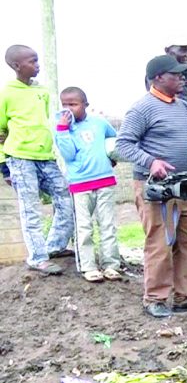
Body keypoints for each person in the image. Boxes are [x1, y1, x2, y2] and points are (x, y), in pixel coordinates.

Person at [117, 54, 187, 318]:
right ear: (158, 77)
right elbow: (123, 144)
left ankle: (186, 296)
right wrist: (151, 162)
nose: (182, 79)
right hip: (156, 187)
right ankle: (156, 298)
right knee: (160, 243)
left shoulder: (182, 107)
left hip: (184, 184)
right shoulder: (142, 108)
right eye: (176, 75)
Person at [0, 44, 74, 275]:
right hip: (20, 158)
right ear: (16, 65)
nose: (37, 65)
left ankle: (54, 246)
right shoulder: (6, 93)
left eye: (37, 60)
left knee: (65, 196)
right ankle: (37, 257)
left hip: (45, 156)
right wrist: (4, 167)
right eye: (32, 61)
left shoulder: (41, 91)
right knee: (30, 206)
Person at [54, 87, 121, 282]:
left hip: (104, 181)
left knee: (108, 225)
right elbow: (68, 155)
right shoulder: (62, 128)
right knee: (84, 228)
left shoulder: (99, 122)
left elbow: (113, 138)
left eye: (73, 104)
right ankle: (88, 267)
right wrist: (63, 129)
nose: (68, 109)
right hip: (80, 185)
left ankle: (111, 265)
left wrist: (111, 156)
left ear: (85, 105)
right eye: (64, 105)